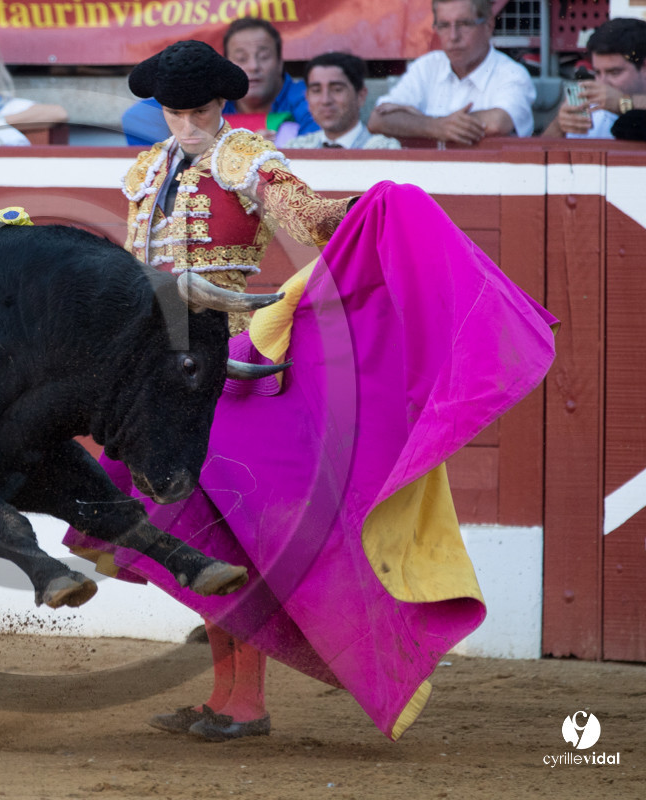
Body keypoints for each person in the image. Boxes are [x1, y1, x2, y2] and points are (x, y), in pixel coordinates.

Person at [63, 40, 557, 743]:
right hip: (164, 372)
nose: (187, 126)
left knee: (238, 534)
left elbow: (309, 220)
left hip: (237, 365)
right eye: (174, 113)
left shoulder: (248, 159)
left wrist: (366, 210)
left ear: (221, 106)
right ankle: (224, 696)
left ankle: (244, 702)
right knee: (198, 535)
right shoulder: (147, 170)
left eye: (199, 111)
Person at [121, 18, 317, 147]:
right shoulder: (209, 89)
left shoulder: (310, 98)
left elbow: (319, 148)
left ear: (281, 62)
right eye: (241, 57)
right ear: (227, 64)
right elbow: (136, 118)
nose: (253, 66)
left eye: (264, 56)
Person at [368, 0, 535, 144]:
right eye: (444, 25)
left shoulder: (512, 74)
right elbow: (378, 120)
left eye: (464, 24)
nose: (453, 36)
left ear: (489, 25)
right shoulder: (427, 66)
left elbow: (499, 122)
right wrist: (436, 126)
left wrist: (423, 121)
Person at [541, 18, 646, 139]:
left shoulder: (620, 101)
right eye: (597, 72)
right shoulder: (591, 110)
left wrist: (623, 103)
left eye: (615, 72)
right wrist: (559, 125)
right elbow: (539, 153)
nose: (602, 83)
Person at [286, 52, 400, 149]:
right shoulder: (297, 147)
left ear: (361, 95)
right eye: (316, 90)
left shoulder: (382, 148)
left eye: (337, 89)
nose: (325, 100)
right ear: (307, 97)